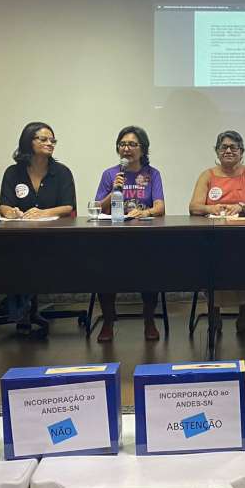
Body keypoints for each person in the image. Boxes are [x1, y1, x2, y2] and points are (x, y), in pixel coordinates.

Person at [0, 122, 76, 327]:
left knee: (29, 258)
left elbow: (68, 206)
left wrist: (43, 213)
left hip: (53, 238)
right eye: (43, 139)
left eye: (53, 140)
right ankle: (21, 306)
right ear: (28, 142)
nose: (50, 143)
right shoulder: (13, 172)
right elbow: (4, 205)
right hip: (20, 237)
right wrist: (11, 212)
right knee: (13, 256)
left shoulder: (62, 172)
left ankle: (21, 308)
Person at [94, 126, 165, 342]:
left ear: (143, 149)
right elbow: (98, 207)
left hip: (144, 237)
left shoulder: (152, 174)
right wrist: (114, 190)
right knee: (104, 270)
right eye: (123, 144)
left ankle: (149, 320)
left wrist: (144, 212)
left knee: (150, 270)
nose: (126, 149)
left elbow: (160, 207)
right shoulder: (110, 174)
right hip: (113, 237)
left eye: (132, 144)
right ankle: (108, 321)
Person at [189, 130, 245, 332]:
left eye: (234, 147)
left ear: (242, 151)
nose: (229, 151)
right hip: (215, 238)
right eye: (224, 147)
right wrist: (211, 208)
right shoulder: (207, 175)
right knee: (210, 261)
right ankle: (213, 312)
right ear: (217, 151)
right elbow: (194, 207)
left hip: (244, 238)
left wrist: (241, 207)